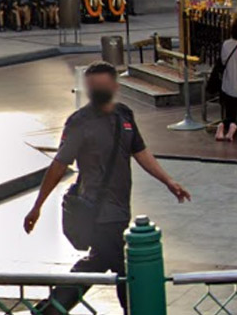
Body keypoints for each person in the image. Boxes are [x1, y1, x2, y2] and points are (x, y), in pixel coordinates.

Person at [23, 62, 191, 313]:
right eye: (93, 86)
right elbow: (58, 166)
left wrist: (168, 181)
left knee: (99, 263)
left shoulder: (125, 115)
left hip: (120, 209)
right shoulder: (79, 122)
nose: (97, 90)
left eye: (101, 85)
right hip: (98, 212)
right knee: (126, 268)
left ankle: (51, 309)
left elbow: (140, 152)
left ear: (114, 85)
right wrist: (37, 207)